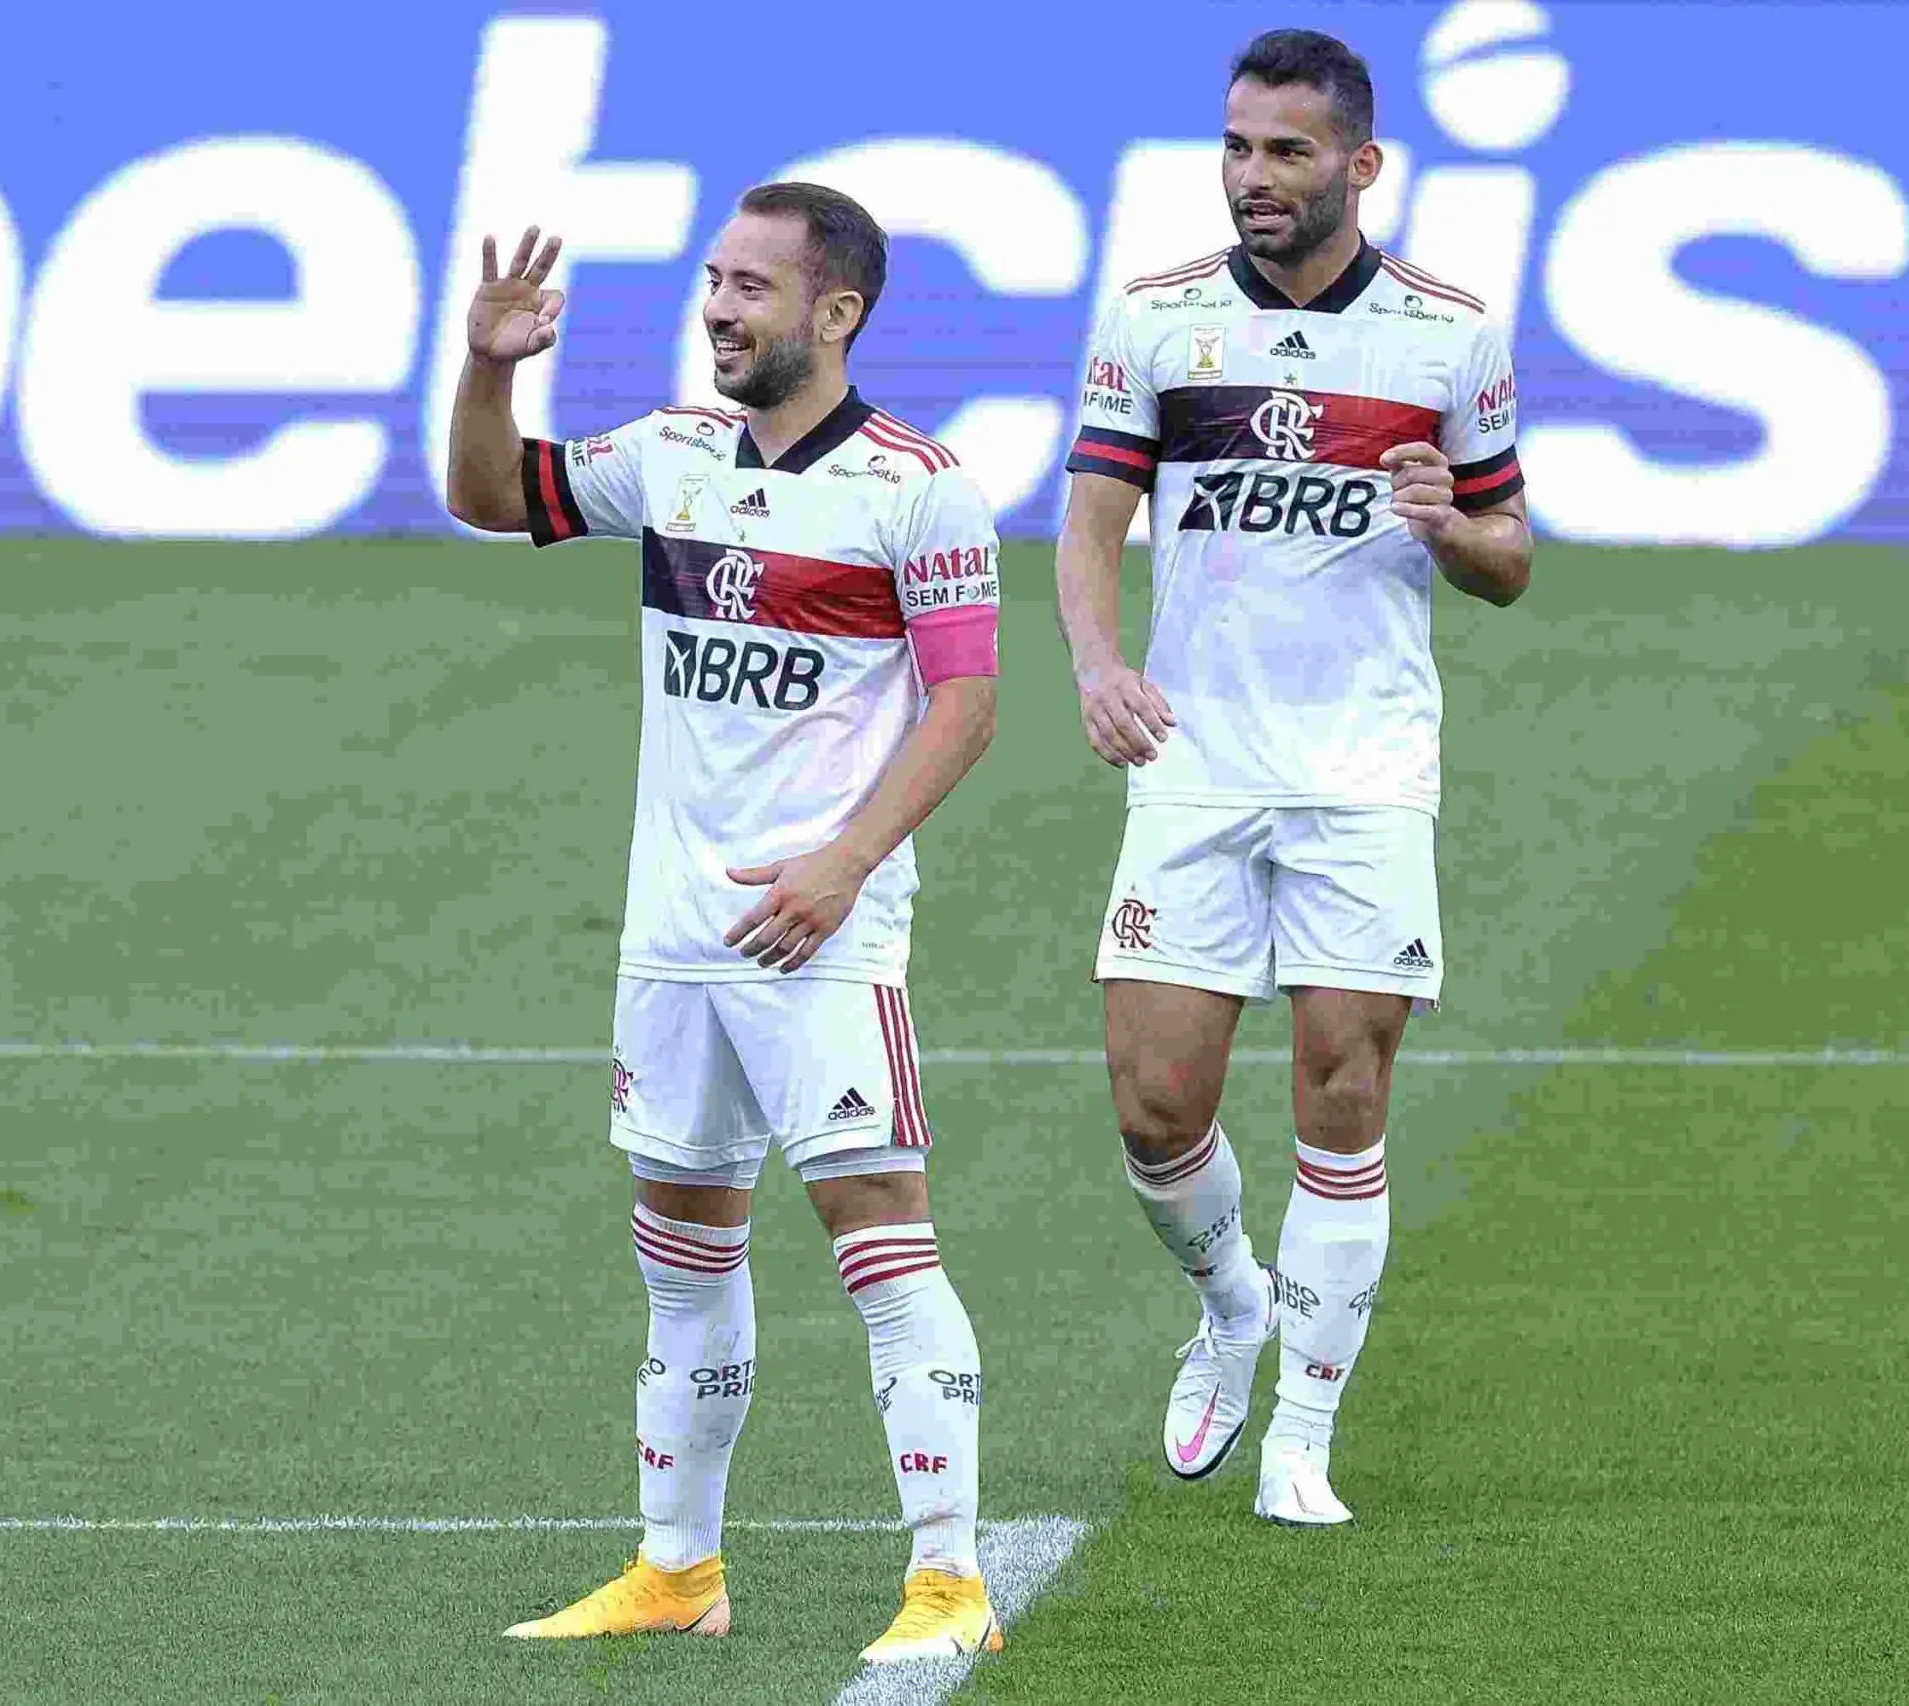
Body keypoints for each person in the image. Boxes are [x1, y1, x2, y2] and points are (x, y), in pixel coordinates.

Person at [443, 182, 1005, 1663]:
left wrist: (845, 863)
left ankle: (950, 1581)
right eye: (713, 281)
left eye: (752, 286)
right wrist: (491, 368)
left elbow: (968, 703)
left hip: (823, 937)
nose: (718, 309)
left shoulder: (917, 487)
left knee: (881, 1241)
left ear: (838, 312)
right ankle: (678, 1567)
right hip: (674, 937)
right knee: (681, 1253)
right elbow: (490, 498)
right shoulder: (672, 455)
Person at [1056, 27, 1533, 1527]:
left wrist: (1450, 526)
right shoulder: (1156, 319)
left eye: (1286, 150)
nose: (1252, 176)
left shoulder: (1450, 335)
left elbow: (1510, 558)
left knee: (1343, 1091)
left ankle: (1302, 1442)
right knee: (1154, 1107)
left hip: (1366, 773)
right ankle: (1233, 1307)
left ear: (1361, 164)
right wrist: (1097, 661)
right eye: (1237, 146)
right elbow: (1090, 520)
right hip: (1194, 761)